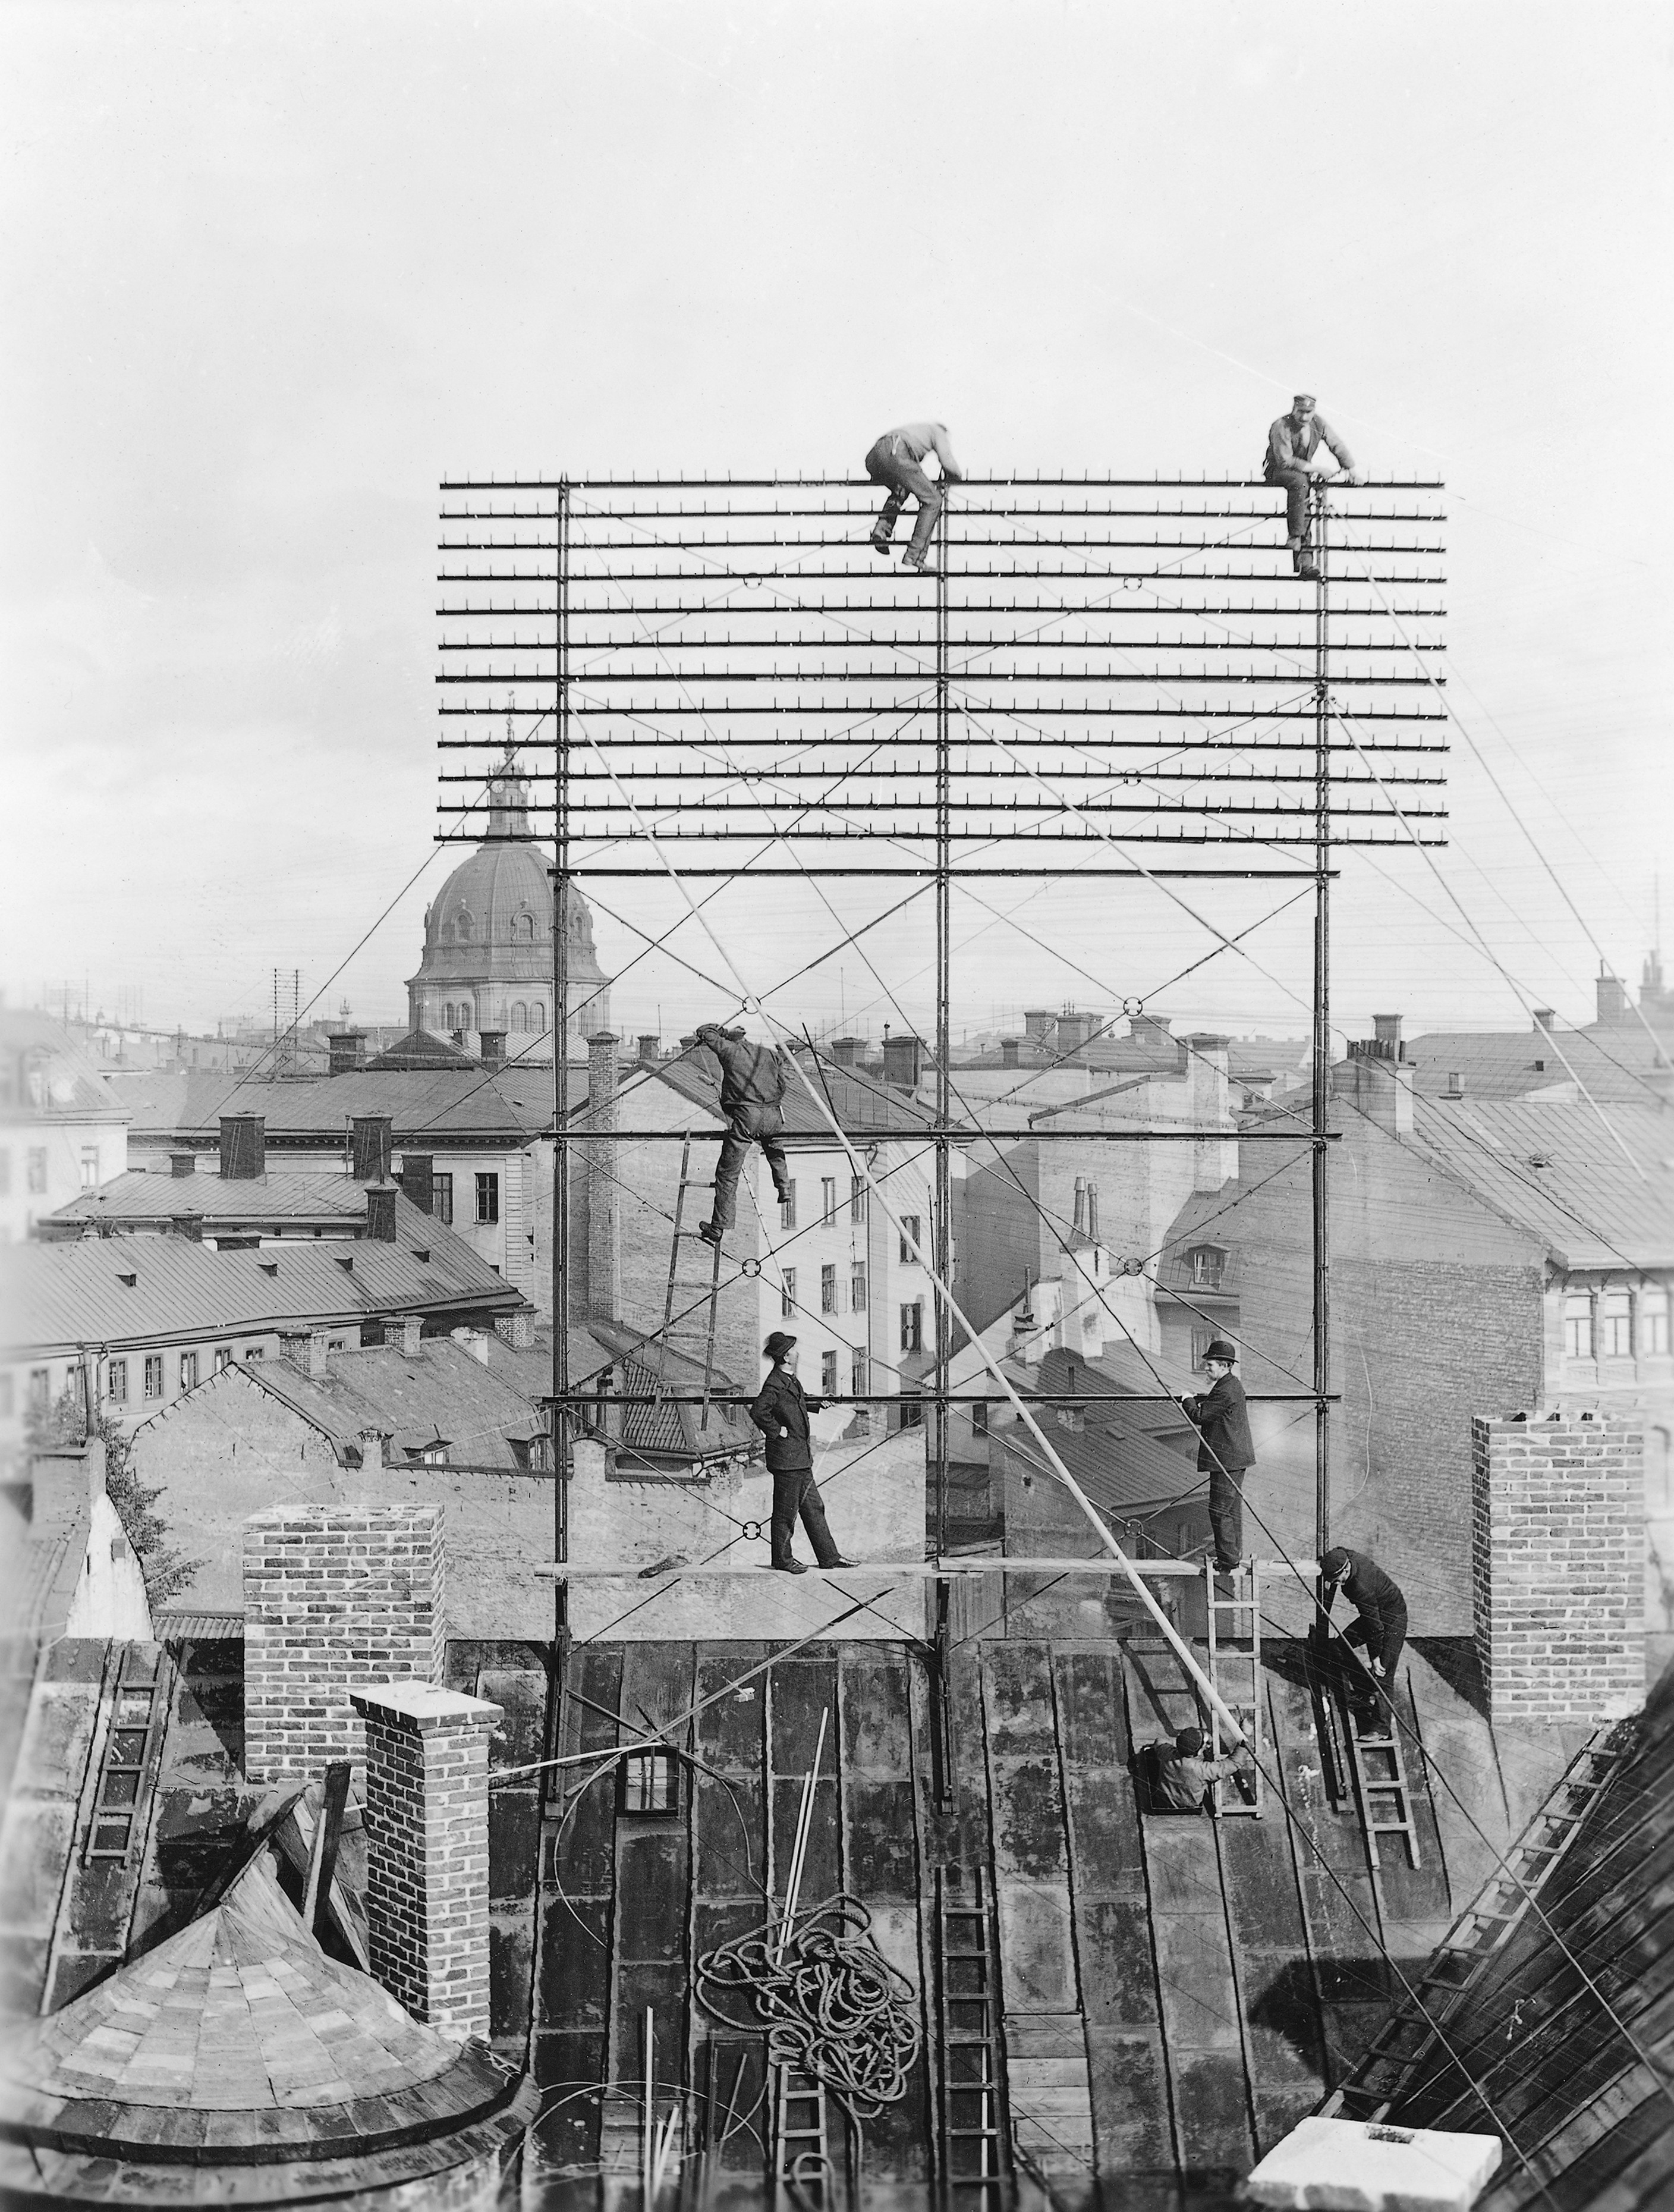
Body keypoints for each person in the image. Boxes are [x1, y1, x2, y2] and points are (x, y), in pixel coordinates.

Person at [748, 1333, 858, 1574]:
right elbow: (758, 1411)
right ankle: (783, 1561)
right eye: (794, 1350)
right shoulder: (775, 1383)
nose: (797, 1353)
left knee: (814, 1507)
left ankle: (829, 1557)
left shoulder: (789, 1379)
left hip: (799, 1458)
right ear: (786, 1356)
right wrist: (778, 1432)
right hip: (787, 1460)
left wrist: (819, 1402)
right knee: (786, 1513)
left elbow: (796, 1402)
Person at [684, 1023, 794, 1248]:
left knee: (728, 1172)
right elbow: (782, 1085)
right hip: (773, 1114)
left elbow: (705, 1032)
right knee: (775, 1151)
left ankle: (718, 1227)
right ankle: (784, 1190)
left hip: (747, 1116)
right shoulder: (770, 1054)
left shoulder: (730, 1050)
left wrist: (719, 1031)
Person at [1263, 394, 1365, 582]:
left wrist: (1350, 469)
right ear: (1293, 409)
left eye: (1308, 413)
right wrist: (1317, 468)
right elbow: (1284, 461)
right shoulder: (1281, 426)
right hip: (1279, 470)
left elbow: (1336, 444)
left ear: (1314, 412)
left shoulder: (1319, 424)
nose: (1304, 417)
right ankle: (1294, 537)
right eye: (1300, 412)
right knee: (1299, 484)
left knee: (1304, 508)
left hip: (1302, 472)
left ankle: (1305, 565)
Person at [1179, 1339, 1256, 1575]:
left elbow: (1200, 1416)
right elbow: (1215, 1408)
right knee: (1228, 1509)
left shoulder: (1226, 1388)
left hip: (1228, 1461)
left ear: (1224, 1365)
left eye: (1210, 1364)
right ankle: (1230, 1553)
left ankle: (1229, 1559)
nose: (1206, 1368)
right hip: (1232, 1459)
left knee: (1219, 1510)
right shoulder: (1229, 1385)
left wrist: (1187, 1400)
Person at [865, 421, 964, 576]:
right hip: (896, 451)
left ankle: (882, 529)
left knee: (901, 489)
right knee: (933, 500)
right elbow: (947, 462)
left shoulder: (918, 431)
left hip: (875, 456)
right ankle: (915, 556)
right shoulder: (938, 431)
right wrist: (957, 476)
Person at [1319, 1546, 1409, 1711]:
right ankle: (1365, 1691)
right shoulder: (1349, 1557)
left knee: (1383, 1672)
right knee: (1339, 1648)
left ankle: (1381, 1729)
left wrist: (1375, 1657)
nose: (1338, 1585)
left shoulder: (1360, 1588)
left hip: (1393, 1616)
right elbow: (1340, 1549)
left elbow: (1374, 1627)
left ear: (1346, 1569)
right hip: (1376, 1612)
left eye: (1339, 1580)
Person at [1150, 1726, 1254, 1815]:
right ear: (1198, 1753)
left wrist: (1185, 1742)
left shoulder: (1165, 1753)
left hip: (1163, 1804)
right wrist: (1245, 1735)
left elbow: (1160, 1741)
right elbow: (1234, 1763)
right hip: (1190, 1810)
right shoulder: (1203, 1770)